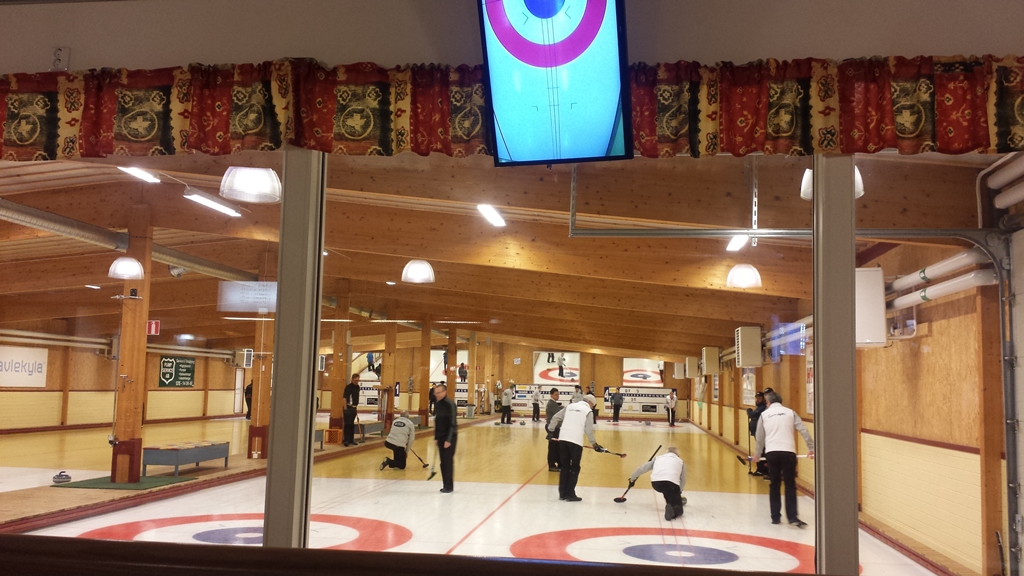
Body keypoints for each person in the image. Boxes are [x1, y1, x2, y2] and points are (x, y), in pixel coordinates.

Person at [754, 390, 815, 528]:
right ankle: (792, 517)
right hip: (789, 452)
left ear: (768, 402)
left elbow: (760, 437)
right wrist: (811, 448)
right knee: (790, 484)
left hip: (772, 453)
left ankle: (775, 517)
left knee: (774, 484)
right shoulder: (790, 412)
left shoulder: (764, 415)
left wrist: (757, 454)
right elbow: (804, 430)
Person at [547, 394, 603, 501]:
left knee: (564, 466)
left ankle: (562, 494)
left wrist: (550, 431)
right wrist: (594, 444)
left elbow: (555, 417)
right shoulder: (588, 411)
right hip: (576, 442)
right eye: (593, 405)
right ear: (590, 403)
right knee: (575, 467)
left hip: (563, 440)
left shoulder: (570, 406)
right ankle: (570, 494)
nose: (592, 407)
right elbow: (588, 431)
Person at [629, 446, 687, 521]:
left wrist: (632, 478)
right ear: (678, 455)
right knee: (679, 508)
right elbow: (683, 480)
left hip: (656, 483)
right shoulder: (680, 462)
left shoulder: (658, 458)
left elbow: (642, 468)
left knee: (667, 491)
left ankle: (669, 504)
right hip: (671, 484)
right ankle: (673, 512)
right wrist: (679, 492)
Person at [433, 384, 458, 493]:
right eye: (435, 393)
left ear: (444, 392)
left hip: (450, 437)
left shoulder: (450, 404)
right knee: (442, 462)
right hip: (441, 436)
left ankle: (449, 486)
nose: (437, 395)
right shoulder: (437, 404)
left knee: (447, 461)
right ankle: (445, 484)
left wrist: (448, 440)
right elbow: (437, 422)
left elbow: (452, 423)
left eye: (439, 393)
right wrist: (436, 437)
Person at [745, 389, 771, 476]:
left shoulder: (762, 407)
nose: (758, 400)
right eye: (757, 398)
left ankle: (762, 469)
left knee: (762, 450)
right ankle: (762, 469)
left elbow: (754, 415)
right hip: (756, 432)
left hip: (761, 433)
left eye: (760, 398)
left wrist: (749, 411)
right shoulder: (759, 407)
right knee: (761, 450)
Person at [545, 388, 562, 471]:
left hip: (555, 427)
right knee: (553, 447)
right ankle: (551, 465)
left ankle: (558, 463)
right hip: (553, 428)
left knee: (556, 446)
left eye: (558, 394)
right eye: (556, 394)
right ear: (551, 395)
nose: (557, 396)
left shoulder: (554, 403)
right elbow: (559, 414)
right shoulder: (551, 404)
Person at [343, 373, 361, 446]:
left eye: (358, 380)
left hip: (354, 407)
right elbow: (344, 398)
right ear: (352, 379)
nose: (357, 382)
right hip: (348, 407)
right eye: (355, 380)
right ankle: (346, 440)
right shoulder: (348, 387)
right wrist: (345, 409)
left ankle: (351, 439)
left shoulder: (358, 387)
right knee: (347, 424)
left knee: (352, 424)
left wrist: (355, 407)